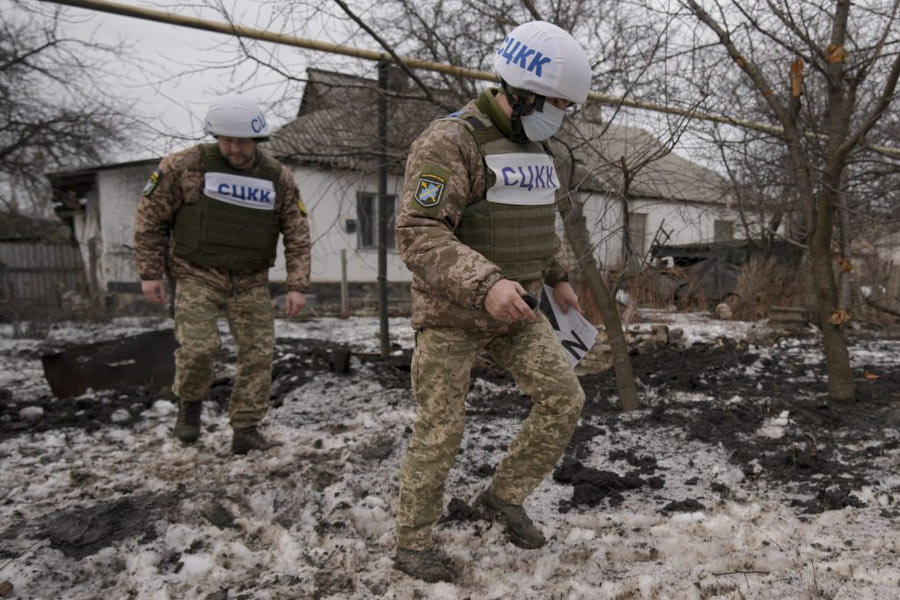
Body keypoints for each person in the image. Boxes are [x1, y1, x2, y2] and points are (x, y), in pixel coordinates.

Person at [393, 21, 591, 582]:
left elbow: (533, 220)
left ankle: (503, 497)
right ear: (521, 89)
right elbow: (418, 231)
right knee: (441, 428)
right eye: (557, 102)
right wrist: (486, 284)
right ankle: (412, 543)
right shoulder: (450, 140)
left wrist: (557, 277)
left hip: (518, 310)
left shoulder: (538, 146)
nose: (562, 115)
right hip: (453, 316)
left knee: (564, 399)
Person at [134, 94, 311, 455]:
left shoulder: (277, 178)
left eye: (242, 141)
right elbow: (151, 219)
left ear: (257, 140)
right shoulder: (186, 165)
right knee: (199, 349)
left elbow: (297, 232)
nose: (234, 148)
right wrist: (150, 272)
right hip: (197, 273)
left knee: (259, 354)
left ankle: (246, 429)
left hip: (250, 281)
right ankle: (189, 408)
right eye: (226, 140)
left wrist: (297, 284)